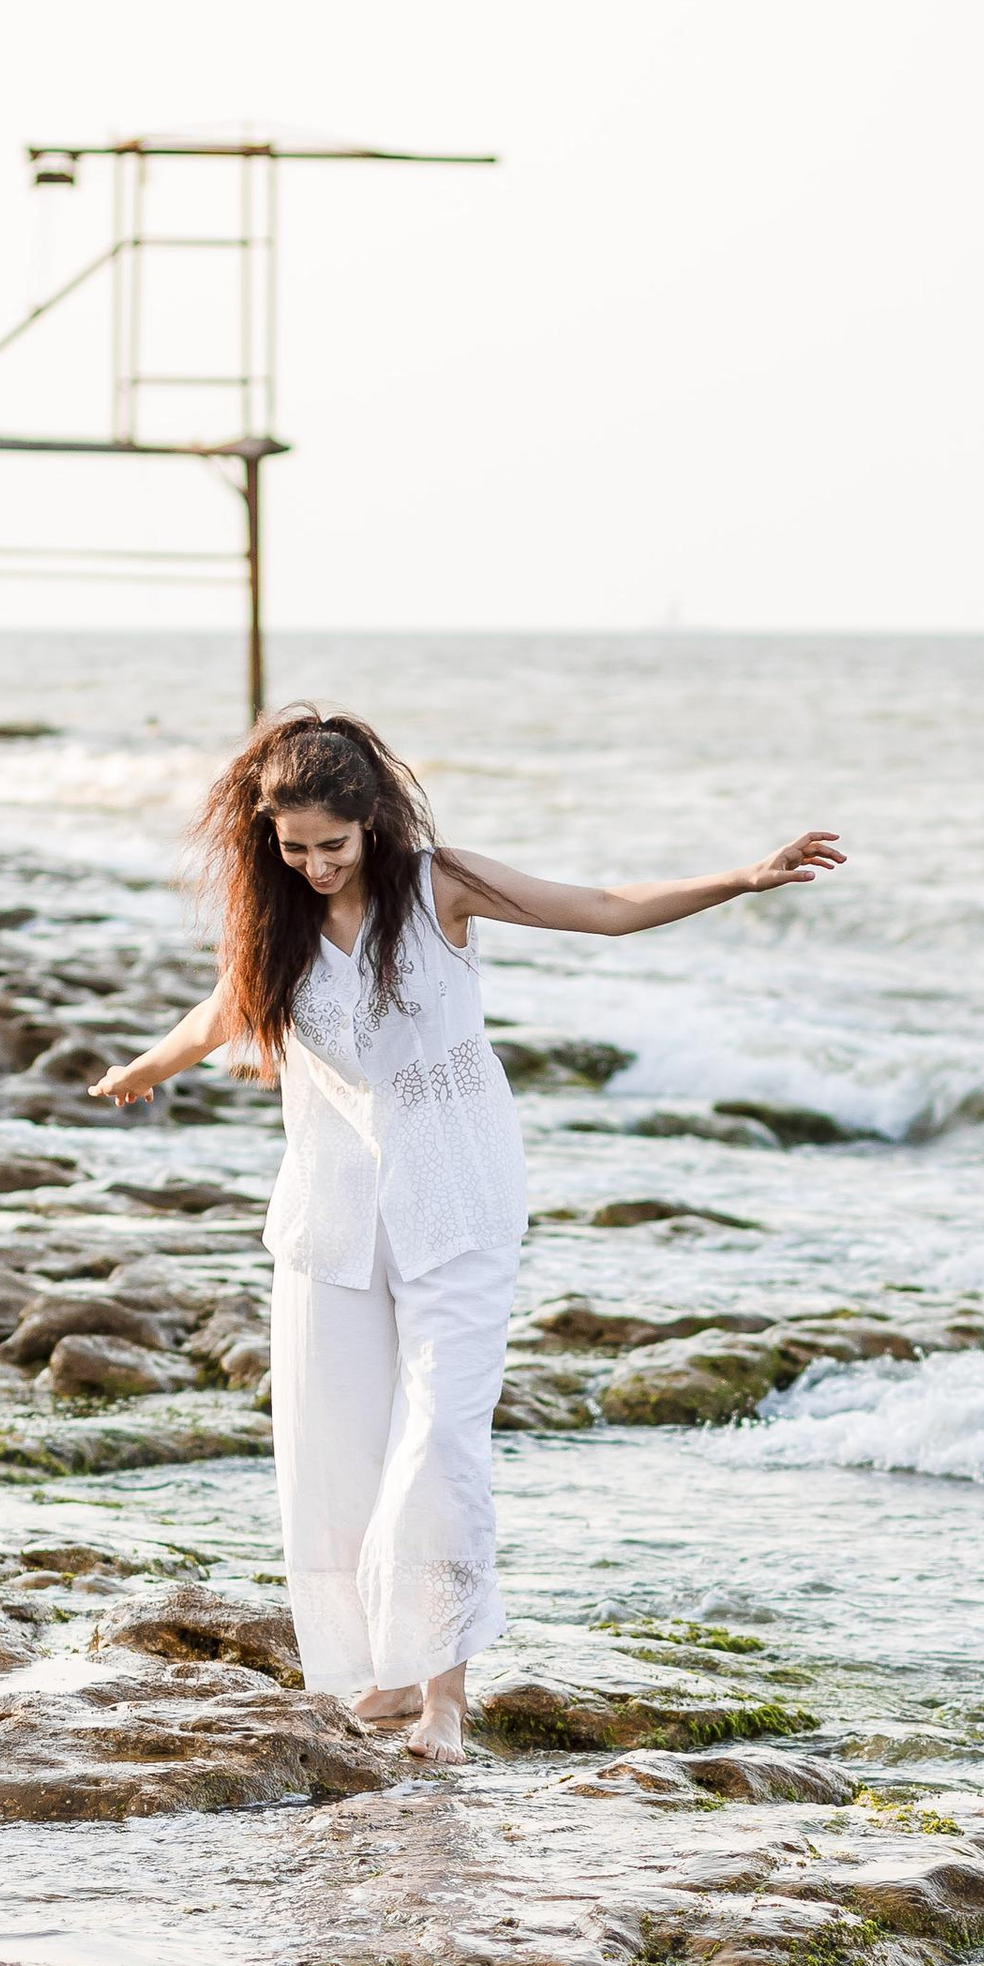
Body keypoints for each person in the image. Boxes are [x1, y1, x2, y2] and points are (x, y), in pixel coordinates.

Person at [90, 704, 843, 1761]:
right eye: (292, 847)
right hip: (334, 1215)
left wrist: (740, 877)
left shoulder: (438, 884)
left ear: (373, 825)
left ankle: (445, 1699)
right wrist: (142, 1071)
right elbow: (222, 1011)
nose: (310, 866)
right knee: (339, 1451)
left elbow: (599, 907)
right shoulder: (281, 920)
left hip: (458, 1203)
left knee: (440, 1440)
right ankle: (383, 1678)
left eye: (330, 847)